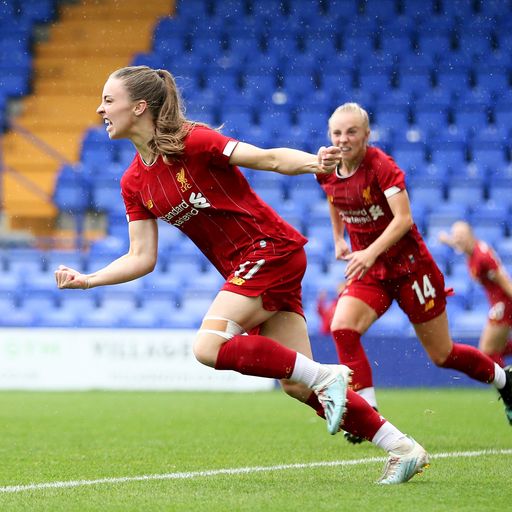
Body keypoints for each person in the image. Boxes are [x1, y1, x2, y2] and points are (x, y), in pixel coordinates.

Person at [54, 67, 428, 484]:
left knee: (209, 347)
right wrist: (89, 279)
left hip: (269, 249)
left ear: (139, 106)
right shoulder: (133, 182)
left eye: (108, 100)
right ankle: (402, 448)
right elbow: (141, 257)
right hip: (254, 266)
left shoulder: (193, 141)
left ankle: (328, 373)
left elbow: (267, 158)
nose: (99, 108)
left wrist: (315, 163)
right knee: (297, 386)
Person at [315, 102, 512, 444]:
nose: (343, 139)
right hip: (372, 269)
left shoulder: (381, 165)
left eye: (351, 132)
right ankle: (368, 414)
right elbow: (334, 197)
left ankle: (506, 382)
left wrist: (368, 252)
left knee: (442, 355)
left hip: (410, 269)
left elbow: (403, 220)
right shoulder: (328, 166)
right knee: (342, 328)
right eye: (337, 132)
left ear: (366, 135)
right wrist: (337, 238)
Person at [439, 221, 512, 367]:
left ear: (470, 235)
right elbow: (458, 244)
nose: (457, 239)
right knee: (493, 351)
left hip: (503, 304)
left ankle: (507, 386)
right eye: (455, 236)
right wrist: (447, 240)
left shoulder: (482, 257)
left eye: (461, 236)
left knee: (486, 352)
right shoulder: (471, 250)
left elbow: (505, 282)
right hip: (498, 303)